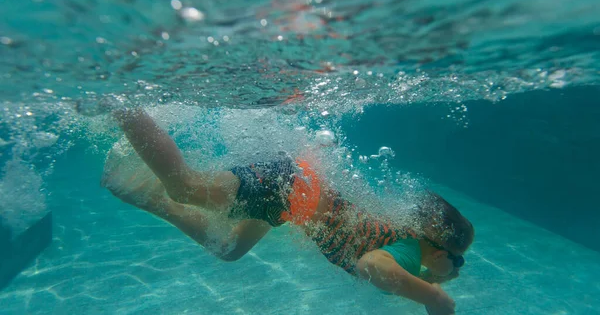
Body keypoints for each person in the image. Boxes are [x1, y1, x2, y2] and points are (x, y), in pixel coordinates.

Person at [103, 107, 474, 315]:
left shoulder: (409, 243)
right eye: (458, 262)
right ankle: (123, 105)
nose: (454, 270)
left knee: (229, 248)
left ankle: (135, 188)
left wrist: (433, 280)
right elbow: (371, 266)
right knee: (185, 187)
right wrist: (434, 297)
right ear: (441, 249)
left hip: (290, 198)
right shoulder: (408, 253)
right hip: (288, 189)